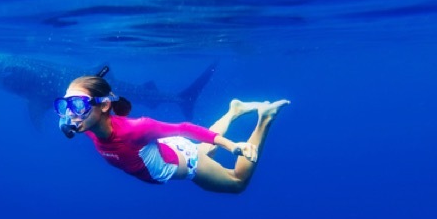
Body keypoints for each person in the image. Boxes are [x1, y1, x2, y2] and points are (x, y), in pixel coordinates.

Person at [57, 73, 288, 194]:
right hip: (169, 150)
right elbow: (68, 125)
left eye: (77, 106)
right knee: (201, 149)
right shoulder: (86, 126)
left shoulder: (135, 129)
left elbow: (185, 129)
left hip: (187, 162)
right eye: (65, 107)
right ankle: (234, 111)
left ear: (105, 105)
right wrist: (68, 120)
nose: (71, 115)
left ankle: (265, 118)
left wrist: (233, 146)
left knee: (237, 183)